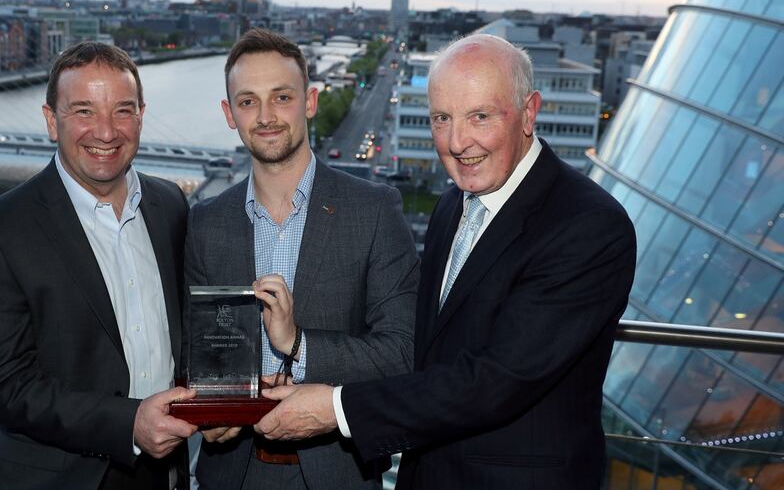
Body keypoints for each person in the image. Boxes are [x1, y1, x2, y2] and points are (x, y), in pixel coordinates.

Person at [254, 34, 636, 489]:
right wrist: (300, 350)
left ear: (529, 112)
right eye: (442, 118)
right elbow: (424, 351)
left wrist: (335, 408)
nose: (457, 142)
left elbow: (497, 381)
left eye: (480, 116)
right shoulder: (454, 204)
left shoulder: (587, 225)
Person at [187, 28, 419, 489]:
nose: (266, 116)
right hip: (232, 471)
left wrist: (298, 344)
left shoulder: (374, 210)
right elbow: (196, 351)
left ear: (310, 102)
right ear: (229, 114)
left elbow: (404, 352)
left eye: (282, 97)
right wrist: (208, 407)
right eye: (248, 101)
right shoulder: (204, 223)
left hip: (338, 473)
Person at [0, 41, 197, 489]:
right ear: (52, 121)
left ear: (141, 116)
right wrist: (128, 423)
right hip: (59, 478)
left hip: (163, 471)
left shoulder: (171, 204)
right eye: (84, 112)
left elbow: (182, 335)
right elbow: (3, 385)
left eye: (122, 111)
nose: (106, 132)